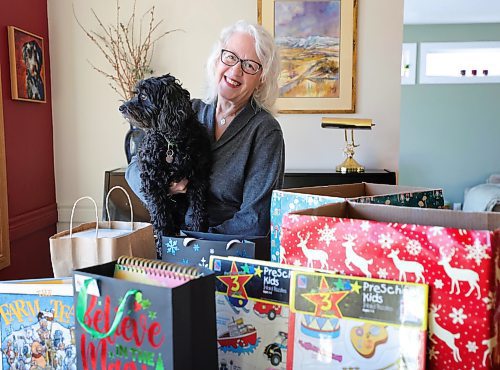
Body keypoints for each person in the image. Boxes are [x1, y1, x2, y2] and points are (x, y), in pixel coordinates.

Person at [126, 20, 285, 236]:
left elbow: (255, 219)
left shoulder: (265, 131)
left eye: (249, 65)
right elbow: (134, 169)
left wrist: (192, 241)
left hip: (224, 250)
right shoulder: (186, 110)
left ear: (261, 79)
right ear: (216, 61)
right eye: (230, 57)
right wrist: (164, 189)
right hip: (168, 240)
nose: (236, 70)